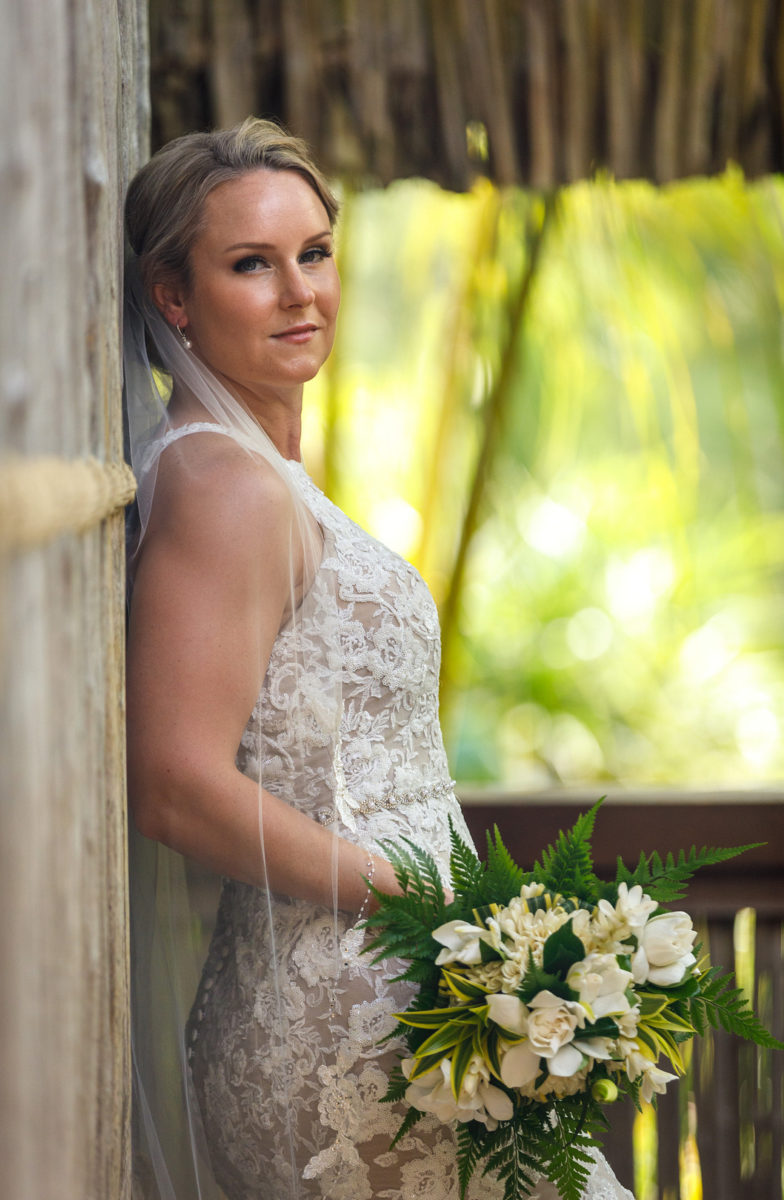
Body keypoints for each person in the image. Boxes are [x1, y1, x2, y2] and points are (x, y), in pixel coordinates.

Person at [123, 118, 634, 1200]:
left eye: (313, 253)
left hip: (408, 1000)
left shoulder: (255, 473)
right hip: (349, 1043)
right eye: (250, 265)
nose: (299, 292)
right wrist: (405, 893)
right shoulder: (223, 490)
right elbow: (171, 784)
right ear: (175, 298)